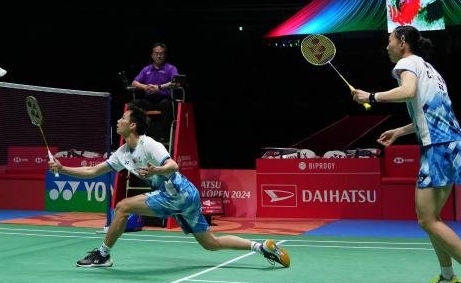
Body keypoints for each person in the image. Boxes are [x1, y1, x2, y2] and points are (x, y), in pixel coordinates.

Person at [352, 25, 461, 283]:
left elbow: (408, 91)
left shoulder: (406, 64)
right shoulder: (429, 68)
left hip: (439, 146)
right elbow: (428, 111)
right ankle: (448, 277)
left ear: (402, 42)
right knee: (431, 217)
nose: (387, 46)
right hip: (452, 143)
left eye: (390, 41)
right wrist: (400, 131)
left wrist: (371, 96)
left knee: (426, 220)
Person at [48, 103, 290, 269]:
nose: (118, 121)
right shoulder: (122, 153)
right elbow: (93, 171)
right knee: (210, 243)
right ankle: (261, 247)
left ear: (133, 125)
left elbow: (173, 165)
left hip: (177, 194)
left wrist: (157, 170)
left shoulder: (149, 145)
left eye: (123, 119)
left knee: (122, 207)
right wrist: (63, 169)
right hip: (188, 195)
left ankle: (103, 255)